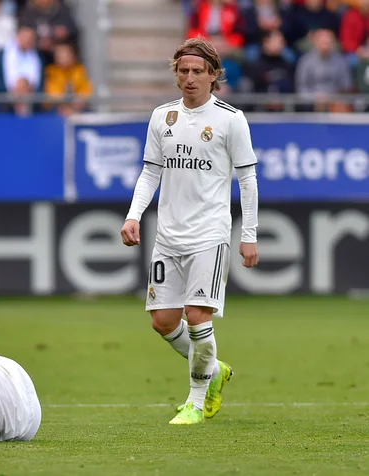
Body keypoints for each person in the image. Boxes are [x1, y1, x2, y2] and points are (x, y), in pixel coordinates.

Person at [120, 36, 260, 425]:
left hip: (209, 235)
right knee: (163, 321)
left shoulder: (231, 119)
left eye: (198, 71)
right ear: (176, 74)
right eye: (183, 70)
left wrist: (248, 234)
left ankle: (196, 402)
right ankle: (214, 370)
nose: (190, 77)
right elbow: (150, 172)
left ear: (214, 75)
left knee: (198, 316)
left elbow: (247, 181)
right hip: (168, 236)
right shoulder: (162, 117)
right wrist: (134, 215)